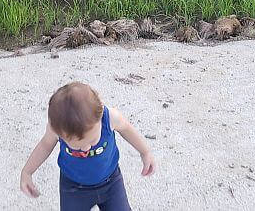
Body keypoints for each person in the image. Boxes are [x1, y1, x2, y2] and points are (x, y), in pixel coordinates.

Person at [20, 82, 156, 210]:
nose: (86, 149)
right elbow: (45, 145)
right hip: (73, 188)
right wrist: (27, 172)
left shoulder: (109, 118)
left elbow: (127, 129)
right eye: (77, 146)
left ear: (101, 113)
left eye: (91, 141)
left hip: (111, 182)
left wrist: (145, 152)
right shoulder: (57, 129)